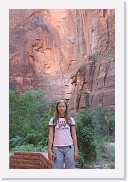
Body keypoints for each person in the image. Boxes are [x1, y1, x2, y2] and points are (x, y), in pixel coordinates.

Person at [48, 99, 79, 169]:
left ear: (66, 108)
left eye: (63, 106)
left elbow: (74, 135)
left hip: (69, 148)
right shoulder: (53, 120)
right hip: (57, 148)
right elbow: (50, 136)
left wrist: (76, 150)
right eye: (60, 106)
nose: (61, 108)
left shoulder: (70, 120)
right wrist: (49, 150)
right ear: (57, 108)